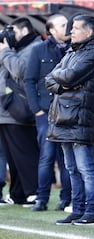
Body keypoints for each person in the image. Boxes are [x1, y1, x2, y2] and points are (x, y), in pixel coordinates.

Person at [45, 14, 94, 225]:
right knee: (72, 169)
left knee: (86, 168)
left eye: (75, 28)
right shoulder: (71, 51)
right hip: (62, 117)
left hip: (79, 117)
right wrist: (64, 83)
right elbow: (50, 78)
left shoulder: (93, 53)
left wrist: (63, 80)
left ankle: (92, 212)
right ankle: (77, 209)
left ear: (89, 32)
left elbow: (67, 76)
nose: (71, 31)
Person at [23, 13, 71, 212]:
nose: (67, 27)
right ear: (51, 30)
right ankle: (41, 199)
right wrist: (36, 110)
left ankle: (66, 199)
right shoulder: (38, 50)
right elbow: (29, 80)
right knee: (46, 158)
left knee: (67, 159)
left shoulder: (74, 50)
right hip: (45, 113)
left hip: (68, 113)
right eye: (62, 25)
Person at [0, 17, 41, 207]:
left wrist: (5, 51)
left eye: (13, 31)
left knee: (25, 154)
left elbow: (20, 71)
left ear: (24, 30)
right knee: (13, 157)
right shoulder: (18, 49)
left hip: (20, 110)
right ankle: (17, 194)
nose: (11, 36)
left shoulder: (33, 47)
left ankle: (33, 192)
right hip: (7, 110)